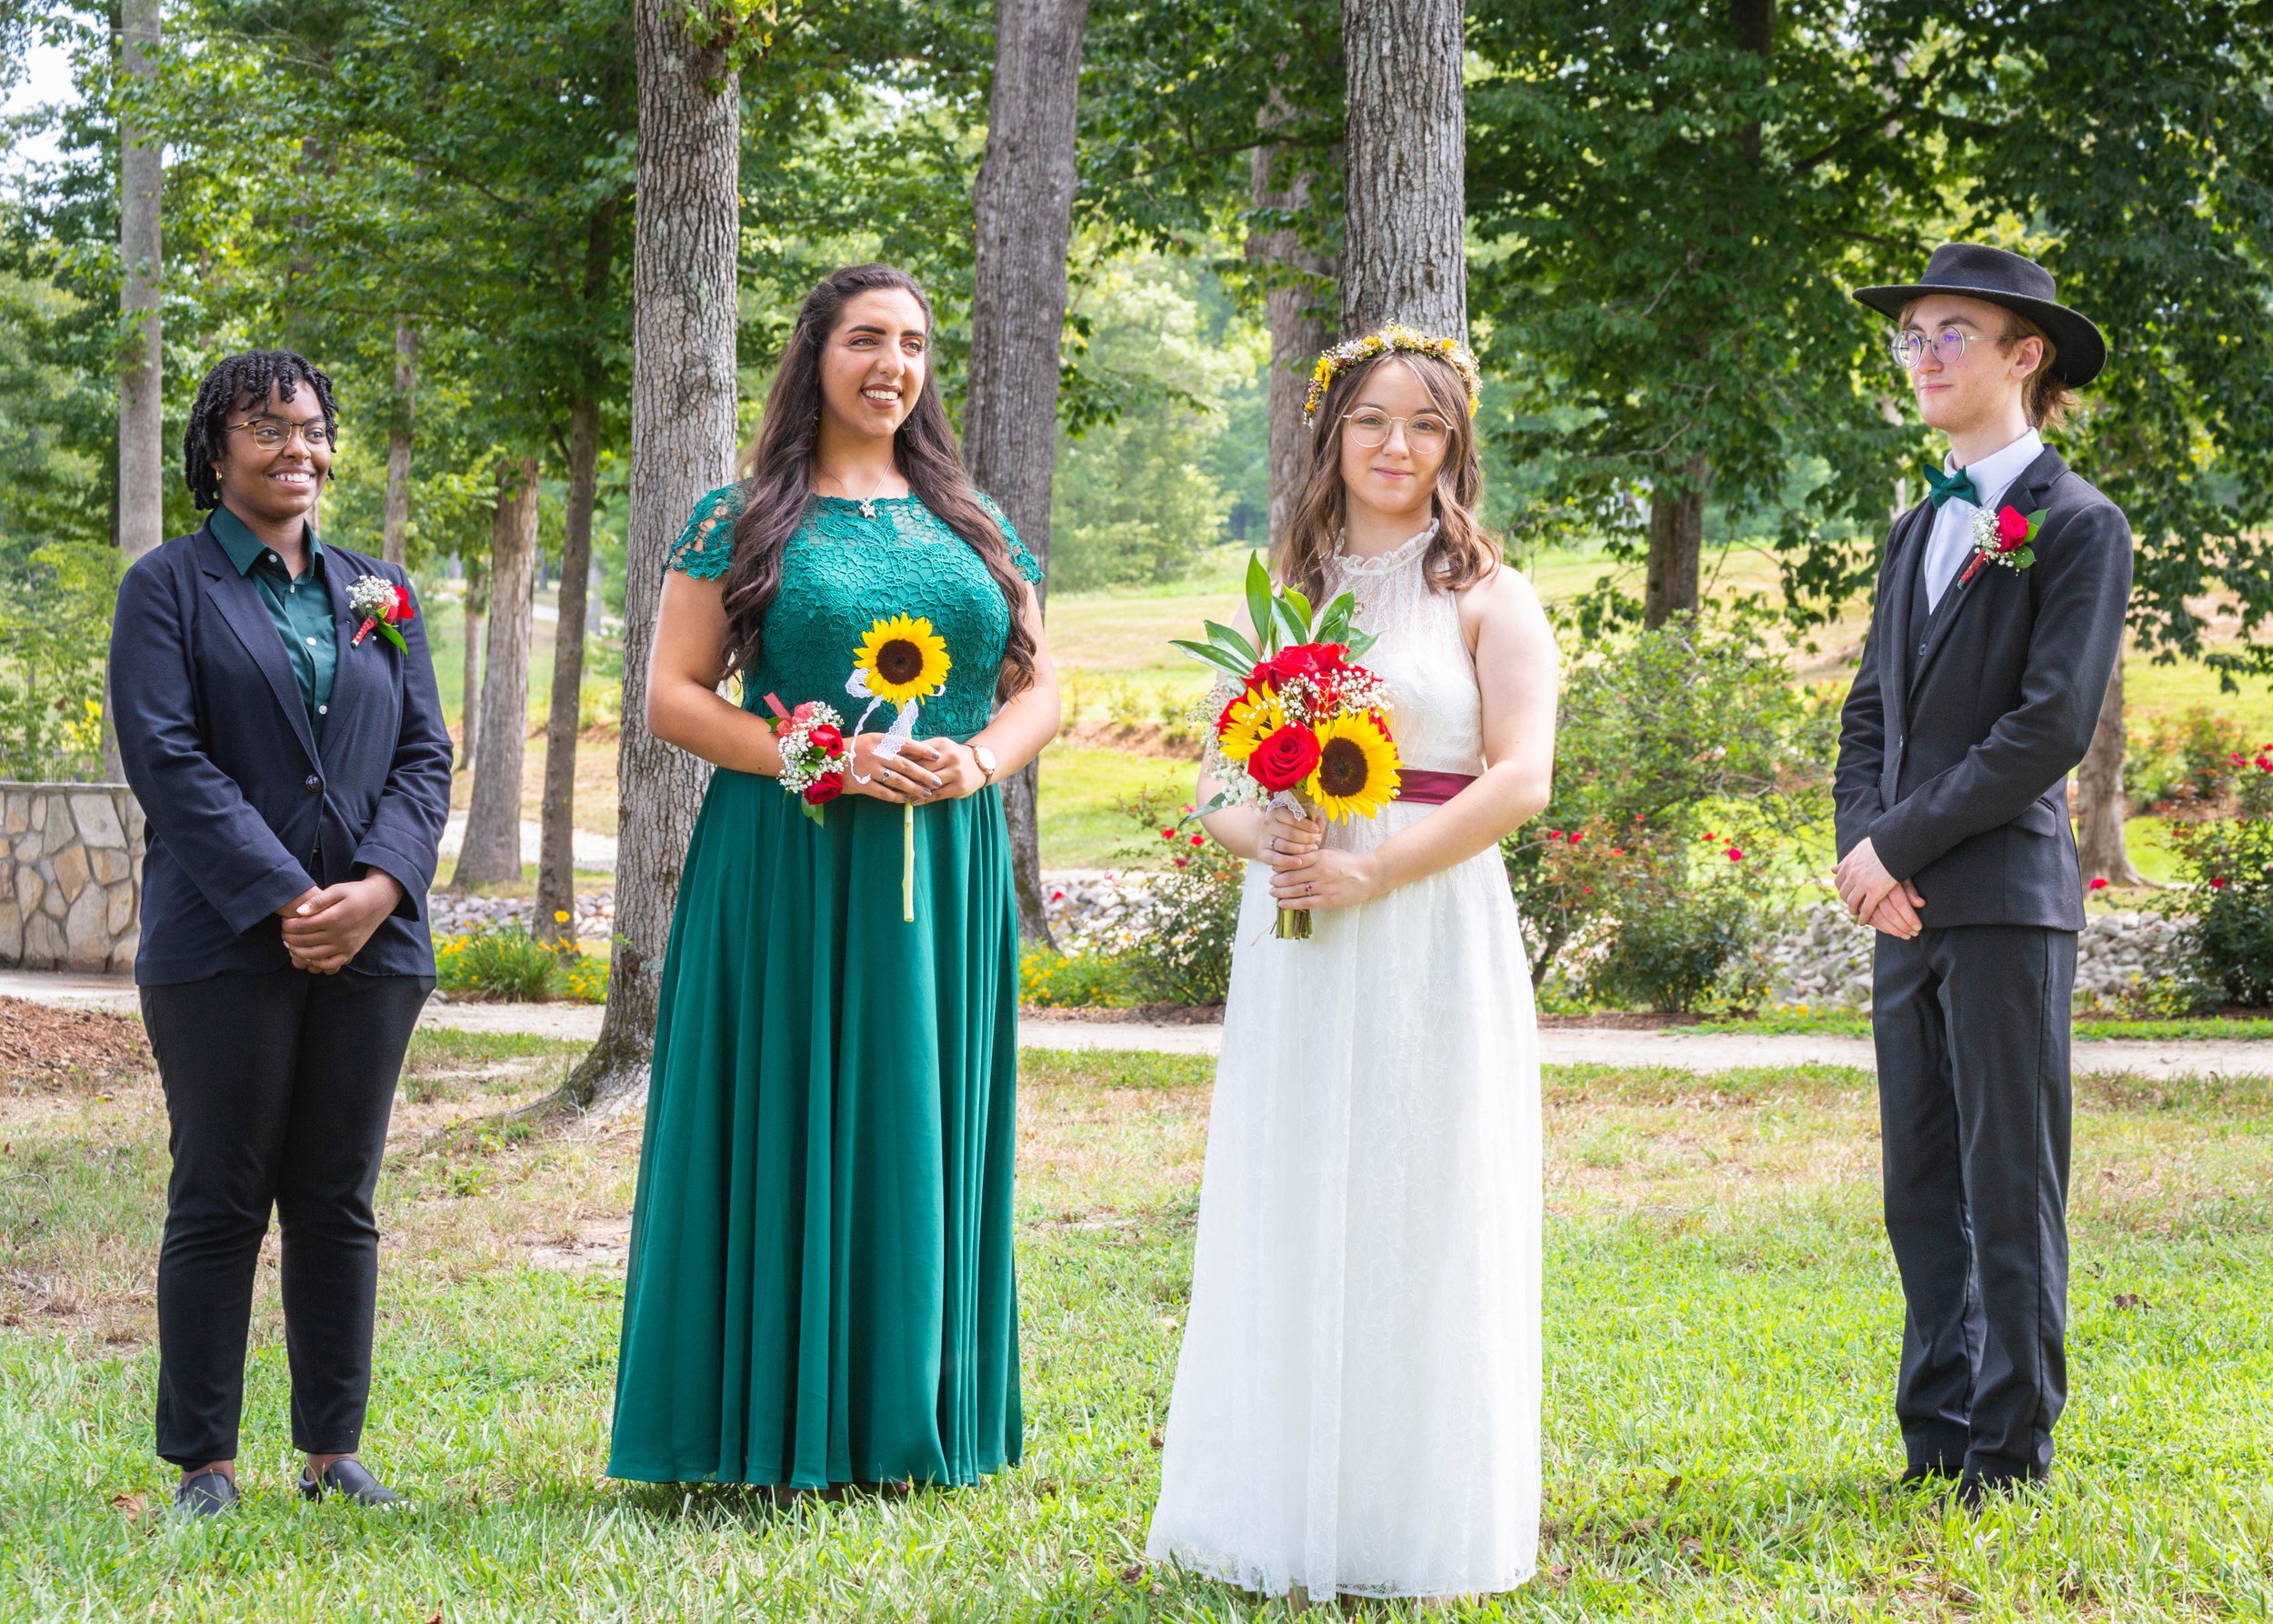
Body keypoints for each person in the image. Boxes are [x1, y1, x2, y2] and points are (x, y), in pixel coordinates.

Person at [607, 264, 1060, 1490]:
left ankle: (918, 1417)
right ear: (814, 354)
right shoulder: (742, 516)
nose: (893, 365)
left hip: (944, 872)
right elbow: (670, 699)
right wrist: (821, 755)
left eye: (913, 344)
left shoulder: (973, 520)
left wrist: (973, 764)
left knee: (919, 1117)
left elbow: (1041, 691)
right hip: (788, 863)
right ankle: (763, 1422)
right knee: (788, 1114)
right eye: (867, 339)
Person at [1146, 327, 1557, 1601]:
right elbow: (1216, 781)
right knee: (1299, 1187)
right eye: (1373, 420)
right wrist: (1267, 834)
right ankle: (1280, 1503)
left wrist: (1379, 865)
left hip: (1429, 917)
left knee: (1419, 1198)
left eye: (1425, 425)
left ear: (1456, 446)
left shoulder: (1491, 595)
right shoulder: (1292, 595)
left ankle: (1409, 1518)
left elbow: (1523, 779)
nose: (1396, 446)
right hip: (1302, 934)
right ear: (1334, 435)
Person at [109, 349, 452, 1518]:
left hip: (375, 944)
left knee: (337, 1196)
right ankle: (205, 1464)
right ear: (216, 451)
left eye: (311, 430)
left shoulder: (379, 590)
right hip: (222, 943)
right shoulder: (166, 588)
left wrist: (379, 886)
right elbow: (166, 755)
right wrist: (282, 897)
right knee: (220, 1191)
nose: (295, 449)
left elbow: (423, 757)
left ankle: (332, 1452)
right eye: (267, 429)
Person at [1836, 244, 2131, 1504]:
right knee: (1918, 1183)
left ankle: (2010, 1451)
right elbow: (1867, 716)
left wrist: (1899, 842)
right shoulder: (1918, 526)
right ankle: (1935, 1435)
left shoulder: (2077, 524)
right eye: (1911, 336)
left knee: (2010, 1184)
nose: (1925, 354)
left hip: (2008, 902)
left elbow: (2049, 727)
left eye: (1951, 331)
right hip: (1902, 914)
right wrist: (1863, 853)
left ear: (2027, 355)